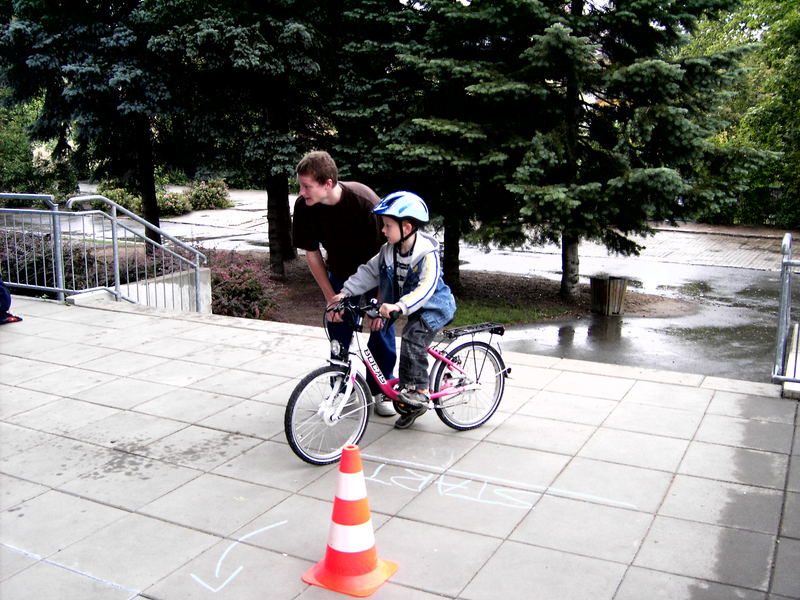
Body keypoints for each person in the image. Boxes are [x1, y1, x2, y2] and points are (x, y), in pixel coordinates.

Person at [331, 191, 457, 429]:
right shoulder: (388, 250)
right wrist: (346, 292)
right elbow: (368, 272)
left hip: (434, 307)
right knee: (393, 337)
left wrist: (399, 306)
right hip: (404, 306)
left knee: (412, 337)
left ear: (406, 226)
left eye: (388, 225)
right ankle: (408, 401)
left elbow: (426, 288)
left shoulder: (426, 254)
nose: (383, 230)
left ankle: (418, 392)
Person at [292, 150, 397, 416]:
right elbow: (312, 254)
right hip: (341, 274)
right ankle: (340, 388)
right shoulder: (305, 206)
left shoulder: (365, 202)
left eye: (307, 186)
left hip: (378, 276)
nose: (302, 192)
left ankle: (381, 391)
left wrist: (380, 303)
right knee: (338, 330)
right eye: (300, 186)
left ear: (327, 183)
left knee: (380, 331)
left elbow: (387, 256)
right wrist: (331, 298)